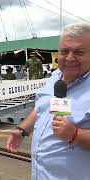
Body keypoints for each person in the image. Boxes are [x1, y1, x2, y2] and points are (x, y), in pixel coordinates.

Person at [6, 23, 90, 180]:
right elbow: (41, 108)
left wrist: (75, 134)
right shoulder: (55, 76)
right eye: (64, 51)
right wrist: (22, 130)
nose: (70, 58)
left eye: (79, 52)